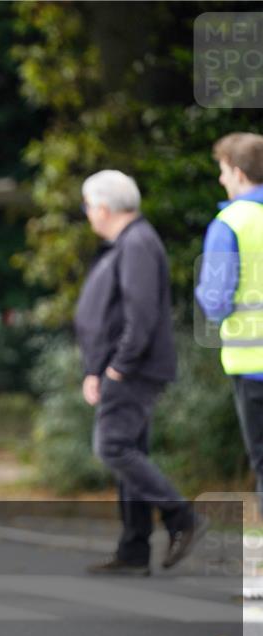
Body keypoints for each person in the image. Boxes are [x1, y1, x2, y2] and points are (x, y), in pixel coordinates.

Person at [74, 171, 204, 576]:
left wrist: (117, 368)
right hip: (124, 368)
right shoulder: (128, 243)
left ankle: (182, 518)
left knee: (113, 447)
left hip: (133, 370)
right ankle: (133, 550)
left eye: (88, 205)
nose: (87, 214)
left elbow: (140, 315)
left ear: (103, 207)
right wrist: (97, 368)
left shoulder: (137, 244)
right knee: (131, 452)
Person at [195, 132, 263, 515]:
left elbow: (217, 301)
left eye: (223, 171)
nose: (221, 179)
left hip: (253, 365)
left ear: (238, 172)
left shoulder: (230, 223)